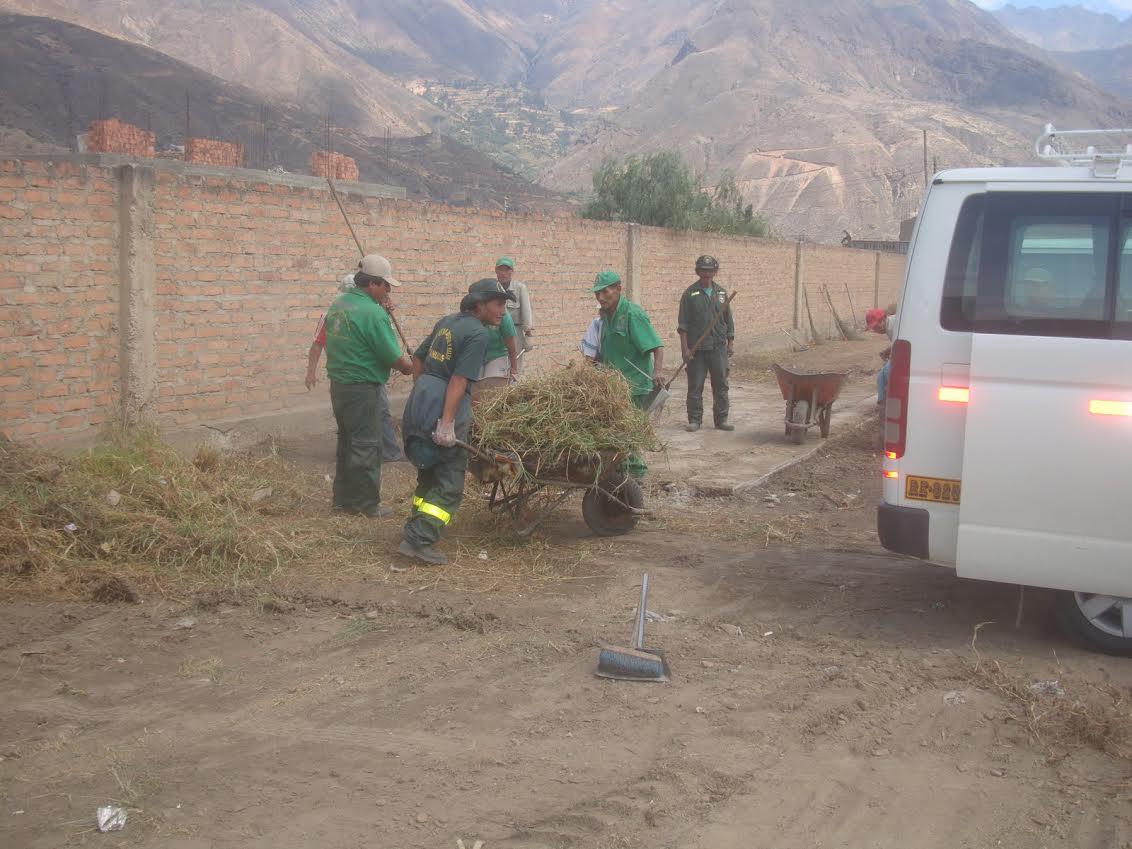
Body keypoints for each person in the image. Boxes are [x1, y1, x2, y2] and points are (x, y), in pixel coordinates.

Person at [398, 278, 514, 565]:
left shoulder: (448, 321)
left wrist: (422, 390)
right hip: (445, 403)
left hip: (422, 400)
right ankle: (418, 539)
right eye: (498, 304)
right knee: (450, 482)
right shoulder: (478, 334)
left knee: (428, 470)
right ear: (479, 305)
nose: (503, 311)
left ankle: (417, 524)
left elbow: (419, 359)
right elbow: (460, 379)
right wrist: (448, 422)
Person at [323, 255, 413, 518]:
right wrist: (411, 367)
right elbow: (391, 356)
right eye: (386, 286)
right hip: (363, 387)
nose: (388, 292)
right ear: (373, 284)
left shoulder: (340, 304)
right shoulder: (373, 313)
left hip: (339, 385)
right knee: (366, 445)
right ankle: (365, 504)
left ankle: (343, 500)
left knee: (347, 442)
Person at [306, 273, 404, 462]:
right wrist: (310, 371)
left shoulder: (365, 310)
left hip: (349, 377)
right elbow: (317, 344)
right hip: (360, 378)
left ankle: (366, 453)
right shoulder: (335, 315)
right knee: (370, 414)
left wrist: (385, 308)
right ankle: (377, 454)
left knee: (361, 416)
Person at [592, 270, 665, 479]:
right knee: (614, 438)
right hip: (613, 388)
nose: (600, 297)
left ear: (618, 289)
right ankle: (620, 479)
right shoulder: (606, 316)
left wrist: (657, 371)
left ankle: (635, 482)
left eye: (605, 292)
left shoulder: (632, 314)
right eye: (597, 293)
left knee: (628, 439)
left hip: (634, 388)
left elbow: (657, 347)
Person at [677, 255, 735, 432]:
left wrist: (730, 343)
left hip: (718, 348)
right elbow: (683, 325)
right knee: (695, 386)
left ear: (715, 272)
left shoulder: (722, 294)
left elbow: (728, 321)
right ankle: (695, 420)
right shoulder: (689, 294)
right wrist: (685, 349)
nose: (706, 274)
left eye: (710, 271)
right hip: (697, 350)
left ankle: (721, 420)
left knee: (721, 385)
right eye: (703, 270)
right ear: (697, 271)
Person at [495, 257, 534, 359]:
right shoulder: (493, 288)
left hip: (515, 332)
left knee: (515, 365)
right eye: (500, 270)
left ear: (512, 271)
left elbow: (526, 312)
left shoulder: (520, 288)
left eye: (507, 270)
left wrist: (528, 334)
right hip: (497, 333)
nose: (503, 273)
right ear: (496, 271)